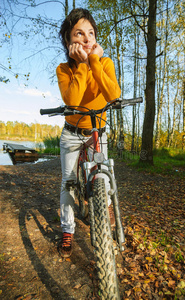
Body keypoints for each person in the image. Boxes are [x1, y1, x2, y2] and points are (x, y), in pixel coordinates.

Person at [56, 8, 121, 258]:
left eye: (90, 33)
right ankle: (67, 229)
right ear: (68, 41)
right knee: (68, 183)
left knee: (102, 176)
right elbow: (72, 101)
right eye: (79, 34)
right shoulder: (64, 69)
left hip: (97, 131)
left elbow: (113, 95)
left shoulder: (105, 63)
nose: (86, 39)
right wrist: (83, 64)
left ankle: (105, 207)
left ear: (96, 38)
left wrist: (94, 61)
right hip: (72, 134)